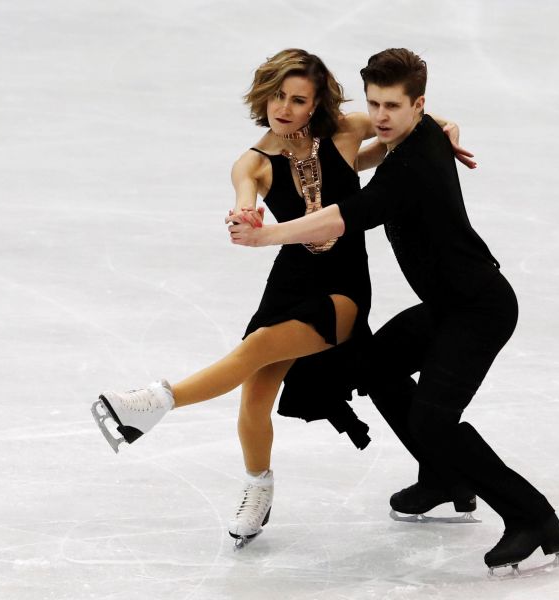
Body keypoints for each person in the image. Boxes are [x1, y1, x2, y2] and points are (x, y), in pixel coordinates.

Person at [91, 49, 473, 549]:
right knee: (254, 394)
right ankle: (258, 486)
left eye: (298, 99)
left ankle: (155, 401)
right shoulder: (252, 162)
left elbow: (420, 121)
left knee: (251, 352)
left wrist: (450, 129)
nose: (285, 107)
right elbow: (244, 198)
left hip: (342, 289)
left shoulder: (347, 131)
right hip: (288, 283)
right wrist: (243, 217)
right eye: (278, 96)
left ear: (316, 105)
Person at [227, 48, 559, 573]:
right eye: (374, 104)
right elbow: (434, 123)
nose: (380, 117)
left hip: (480, 310)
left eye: (392, 106)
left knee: (434, 419)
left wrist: (268, 235)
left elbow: (344, 216)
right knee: (374, 368)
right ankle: (442, 478)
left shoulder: (410, 167)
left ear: (417, 106)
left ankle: (533, 518)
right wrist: (445, 124)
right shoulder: (418, 134)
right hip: (445, 306)